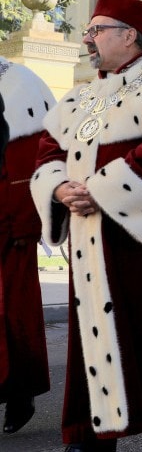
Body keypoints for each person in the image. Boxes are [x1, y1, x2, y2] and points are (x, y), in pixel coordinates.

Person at [30, 0, 142, 451]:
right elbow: (49, 149)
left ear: (129, 36)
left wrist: (101, 190)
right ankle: (90, 433)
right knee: (90, 331)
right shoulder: (82, 95)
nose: (88, 39)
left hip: (138, 234)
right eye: (88, 31)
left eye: (97, 30)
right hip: (88, 234)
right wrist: (58, 186)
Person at [0, 60, 53, 435]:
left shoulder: (22, 86)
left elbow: (32, 168)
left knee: (16, 318)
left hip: (10, 233)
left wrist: (26, 223)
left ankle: (21, 393)